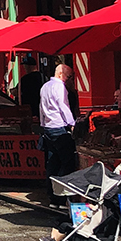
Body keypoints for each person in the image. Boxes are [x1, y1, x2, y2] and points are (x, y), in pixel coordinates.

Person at [39, 62, 77, 198]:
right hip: (59, 128)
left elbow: (41, 108)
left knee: (52, 163)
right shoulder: (60, 87)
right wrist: (72, 123)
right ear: (61, 74)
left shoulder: (44, 87)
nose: (69, 79)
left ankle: (52, 197)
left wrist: (43, 124)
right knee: (67, 162)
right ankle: (61, 196)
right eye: (69, 76)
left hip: (48, 128)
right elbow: (63, 106)